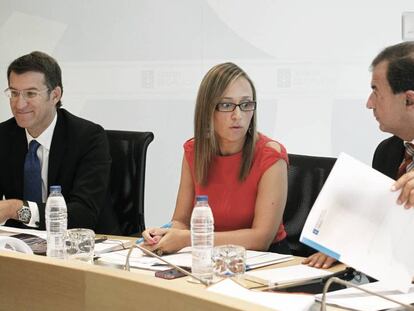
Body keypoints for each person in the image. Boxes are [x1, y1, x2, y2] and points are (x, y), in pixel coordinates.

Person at [141, 62, 289, 255]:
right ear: (208, 109)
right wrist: (165, 234)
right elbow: (182, 221)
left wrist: (189, 239)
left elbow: (261, 238)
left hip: (265, 260)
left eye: (246, 104)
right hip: (211, 256)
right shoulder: (194, 151)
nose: (238, 115)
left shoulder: (271, 156)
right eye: (227, 105)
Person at [304, 41, 414, 269]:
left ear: (409, 100)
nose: (369, 103)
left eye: (376, 91)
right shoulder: (388, 152)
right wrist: (349, 244)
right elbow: (387, 230)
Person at [0, 51, 111, 230]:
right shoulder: (3, 136)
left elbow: (82, 215)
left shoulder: (89, 138)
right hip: (19, 245)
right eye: (14, 93)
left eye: (30, 94)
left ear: (55, 95)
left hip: (81, 245)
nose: (19, 104)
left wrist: (17, 209)